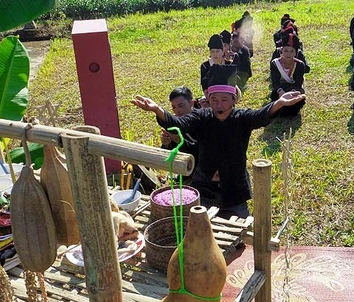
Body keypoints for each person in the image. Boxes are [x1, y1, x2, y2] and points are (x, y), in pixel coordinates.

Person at [131, 64, 305, 219]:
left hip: (234, 189)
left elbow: (261, 116)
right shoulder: (202, 117)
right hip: (205, 187)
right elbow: (178, 123)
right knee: (198, 231)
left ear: (233, 100)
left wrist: (279, 103)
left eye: (224, 100)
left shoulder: (241, 118)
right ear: (208, 100)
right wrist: (157, 109)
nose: (219, 105)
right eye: (214, 100)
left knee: (238, 234)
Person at [160, 86, 199, 183]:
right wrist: (166, 143)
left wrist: (178, 140)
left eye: (181, 105)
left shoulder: (202, 119)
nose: (177, 110)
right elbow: (167, 157)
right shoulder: (173, 123)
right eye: (174, 107)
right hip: (184, 170)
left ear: (191, 103)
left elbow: (201, 151)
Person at [270, 33, 307, 116]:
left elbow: (298, 82)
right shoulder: (275, 63)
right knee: (274, 96)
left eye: (291, 51)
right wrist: (281, 92)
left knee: (298, 99)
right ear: (281, 51)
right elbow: (275, 81)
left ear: (295, 53)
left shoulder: (300, 64)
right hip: (280, 90)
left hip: (294, 89)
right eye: (286, 51)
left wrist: (291, 93)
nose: (288, 54)